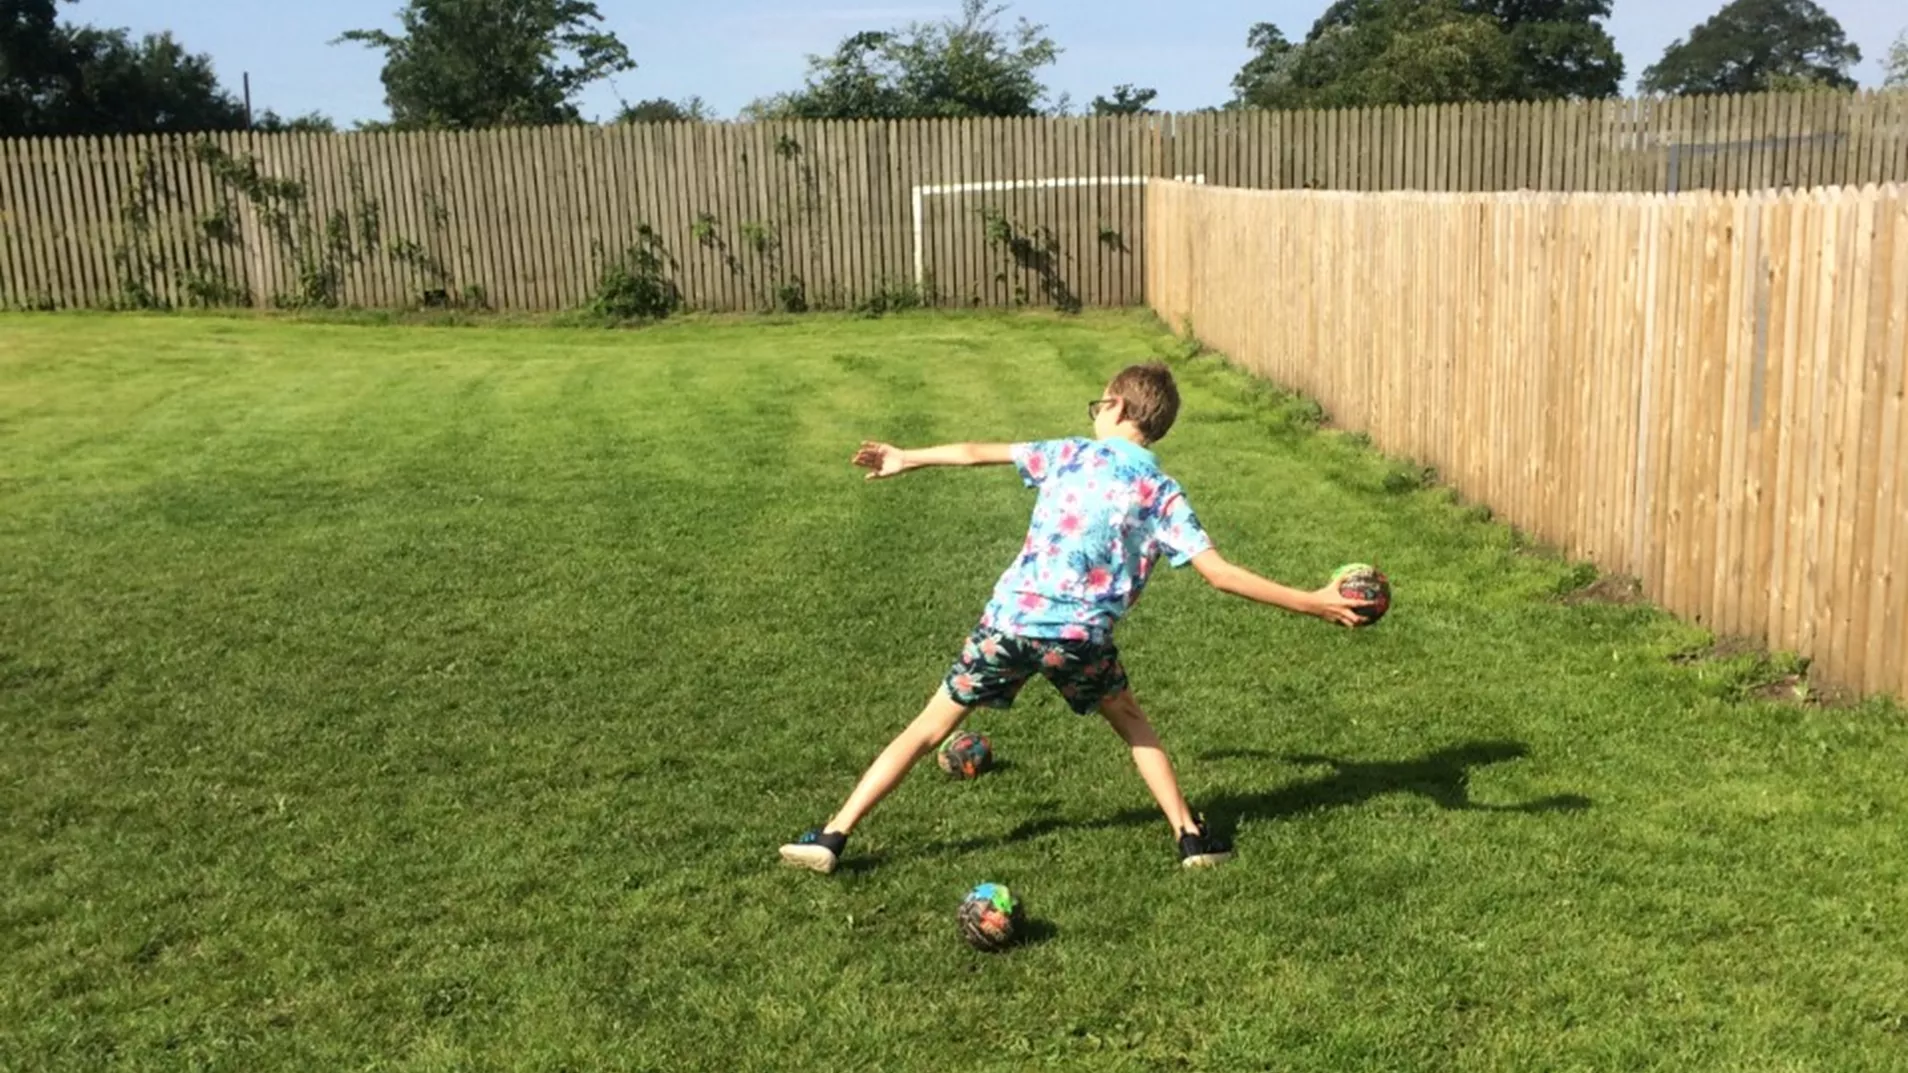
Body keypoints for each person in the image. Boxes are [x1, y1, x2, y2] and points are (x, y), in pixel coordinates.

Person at [779, 361, 1374, 873]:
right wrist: (1313, 601)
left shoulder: (1070, 453)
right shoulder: (1162, 491)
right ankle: (1190, 838)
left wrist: (907, 457)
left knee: (929, 727)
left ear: (1115, 406)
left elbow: (973, 452)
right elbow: (1220, 574)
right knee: (1131, 721)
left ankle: (835, 834)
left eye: (1099, 404)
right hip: (1079, 639)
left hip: (1008, 624)